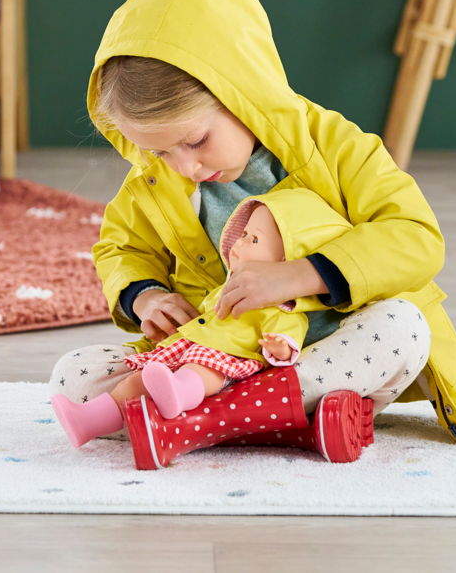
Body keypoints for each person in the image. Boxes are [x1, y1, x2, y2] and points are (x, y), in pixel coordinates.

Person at [49, 0, 456, 466]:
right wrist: (145, 297)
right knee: (73, 376)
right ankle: (294, 425)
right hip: (214, 356)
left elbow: (415, 236)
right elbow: (121, 248)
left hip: (323, 352)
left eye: (195, 140)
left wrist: (299, 276)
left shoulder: (336, 146)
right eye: (160, 152)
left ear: (243, 91)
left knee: (404, 328)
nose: (185, 167)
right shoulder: (154, 179)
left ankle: (203, 423)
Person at [51, 189, 355, 451]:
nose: (239, 243)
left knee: (199, 373)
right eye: (243, 234)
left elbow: (290, 341)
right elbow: (205, 317)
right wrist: (170, 328)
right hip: (191, 348)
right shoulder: (224, 288)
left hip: (226, 361)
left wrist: (279, 346)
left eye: (253, 239)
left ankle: (178, 398)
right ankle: (86, 421)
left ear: (286, 259)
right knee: (135, 383)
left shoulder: (285, 308)